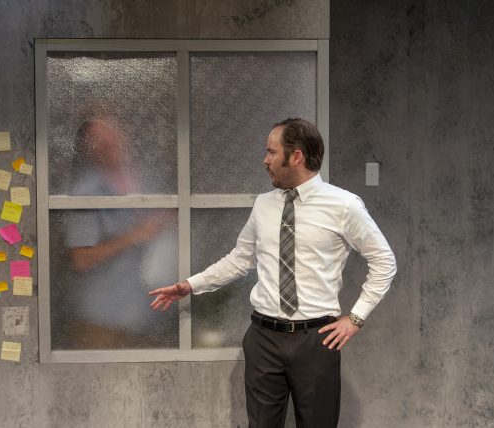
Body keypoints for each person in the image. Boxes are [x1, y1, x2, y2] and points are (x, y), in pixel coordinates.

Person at [149, 118, 397, 427]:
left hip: (316, 340)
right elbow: (239, 259)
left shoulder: (344, 205)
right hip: (263, 339)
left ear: (296, 156)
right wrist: (190, 285)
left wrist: (356, 318)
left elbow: (384, 261)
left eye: (271, 152)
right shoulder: (263, 204)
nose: (265, 160)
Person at [65, 116, 177, 349]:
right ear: (88, 149)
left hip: (149, 315)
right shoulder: (87, 191)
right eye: (97, 139)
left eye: (111, 132)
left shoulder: (148, 179)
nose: (107, 142)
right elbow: (81, 258)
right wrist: (134, 235)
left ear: (124, 133)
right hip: (104, 320)